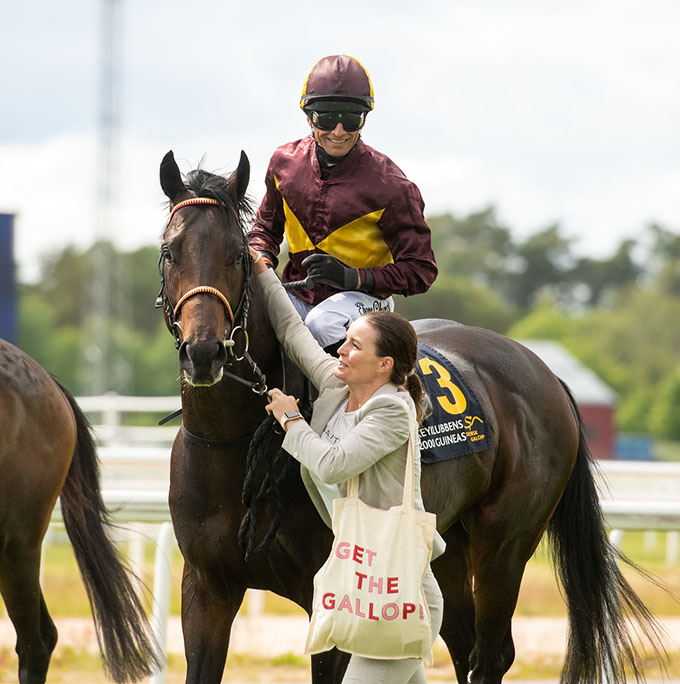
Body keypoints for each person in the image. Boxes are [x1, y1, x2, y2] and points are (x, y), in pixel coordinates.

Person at [249, 246, 444, 684]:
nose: (341, 350)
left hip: (398, 590)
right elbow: (293, 330)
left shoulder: (393, 410)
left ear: (384, 365)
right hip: (370, 584)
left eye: (354, 345)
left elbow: (333, 465)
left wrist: (291, 418)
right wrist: (262, 270)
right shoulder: (337, 389)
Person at [247, 54, 438, 354]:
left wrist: (355, 277)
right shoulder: (283, 164)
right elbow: (265, 231)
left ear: (364, 119)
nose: (338, 131)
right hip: (298, 293)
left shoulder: (392, 186)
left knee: (322, 325)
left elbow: (421, 270)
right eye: (326, 118)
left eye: (350, 119)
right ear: (309, 117)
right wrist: (263, 263)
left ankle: (341, 402)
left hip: (366, 299)